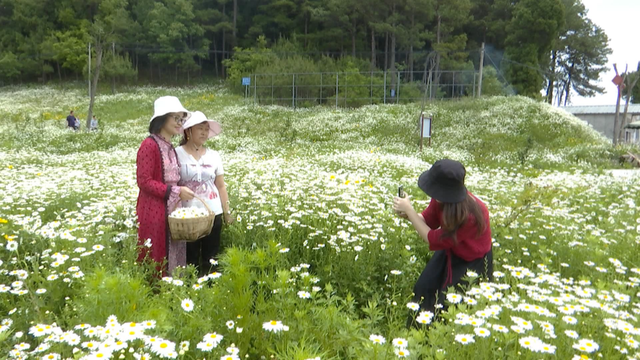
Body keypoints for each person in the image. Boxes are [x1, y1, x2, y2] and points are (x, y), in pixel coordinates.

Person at [392, 159, 493, 328]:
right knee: (424, 286)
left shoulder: (470, 216)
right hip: (450, 249)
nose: (433, 195)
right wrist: (409, 215)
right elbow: (428, 221)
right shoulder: (441, 199)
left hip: (472, 261)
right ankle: (416, 331)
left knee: (452, 304)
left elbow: (431, 238)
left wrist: (410, 211)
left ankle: (439, 337)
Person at [136, 96, 195, 276]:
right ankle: (158, 298)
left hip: (174, 210)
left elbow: (174, 178)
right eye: (176, 118)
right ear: (162, 119)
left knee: (175, 255)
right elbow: (144, 181)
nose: (180, 123)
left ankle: (174, 293)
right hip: (155, 211)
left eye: (181, 119)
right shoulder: (149, 145)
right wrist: (174, 191)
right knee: (157, 258)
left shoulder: (170, 147)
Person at [176, 111, 233, 276]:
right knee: (190, 257)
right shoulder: (177, 154)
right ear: (188, 131)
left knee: (211, 256)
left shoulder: (214, 156)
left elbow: (221, 185)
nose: (204, 132)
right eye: (200, 128)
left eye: (206, 129)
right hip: (187, 216)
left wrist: (227, 212)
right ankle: (191, 288)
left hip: (213, 212)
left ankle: (210, 289)